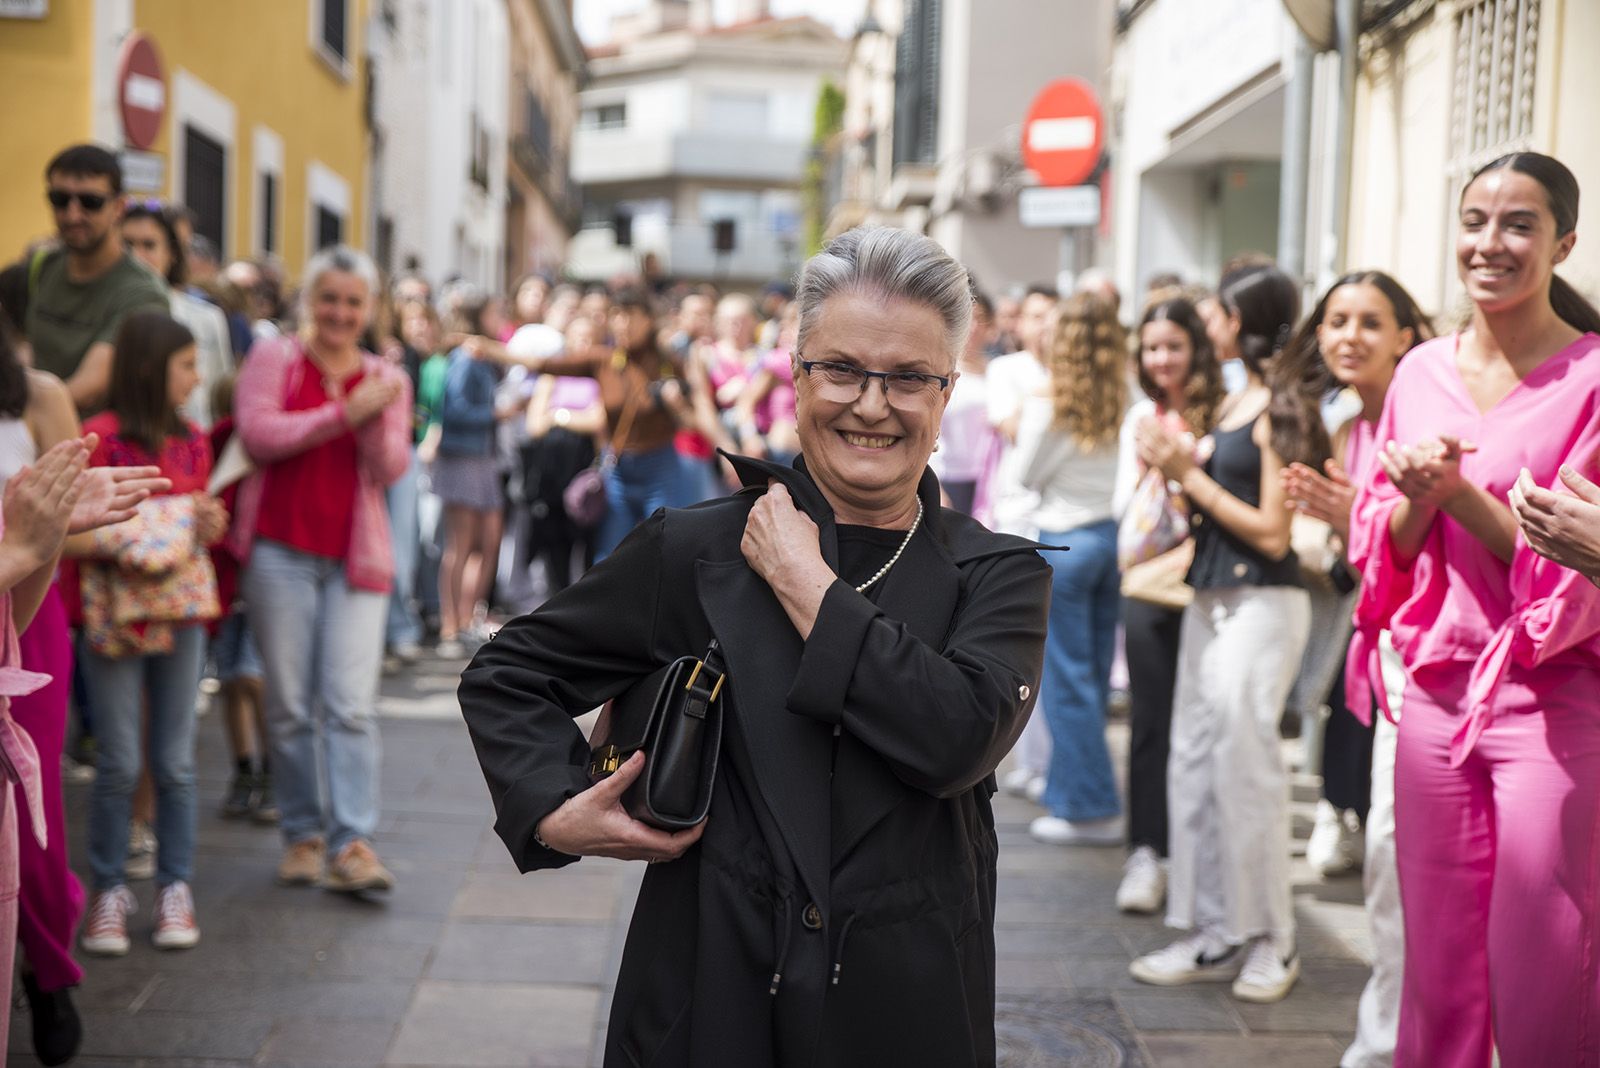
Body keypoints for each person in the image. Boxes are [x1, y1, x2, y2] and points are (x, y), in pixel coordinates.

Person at [460, 227, 1054, 1067]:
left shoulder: (997, 575)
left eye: (907, 378)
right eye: (841, 369)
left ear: (947, 392)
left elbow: (955, 736)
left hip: (906, 1009)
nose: (871, 405)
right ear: (798, 375)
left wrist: (805, 584)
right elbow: (509, 671)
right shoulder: (695, 548)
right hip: (710, 996)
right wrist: (553, 808)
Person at [1346, 152, 1600, 1067]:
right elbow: (1383, 543)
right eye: (1474, 221)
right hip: (1436, 694)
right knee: (1437, 970)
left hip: (1555, 698)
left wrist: (1455, 494)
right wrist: (1421, 501)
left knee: (1547, 966)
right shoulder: (1419, 371)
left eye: (1519, 224)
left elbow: (1570, 569)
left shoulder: (1593, 380)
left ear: (1563, 244)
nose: (1490, 243)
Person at [1128, 264, 1315, 1003]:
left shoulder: (1281, 404)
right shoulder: (1235, 400)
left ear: (1242, 321)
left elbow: (1273, 531)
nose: (1205, 320)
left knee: (1247, 770)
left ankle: (1274, 938)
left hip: (1261, 601)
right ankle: (1211, 930)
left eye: (1217, 311)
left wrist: (1187, 471)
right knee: (1195, 765)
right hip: (1211, 599)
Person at [1281, 271, 1431, 1068]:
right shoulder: (1347, 427)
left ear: (1405, 336)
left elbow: (1424, 549)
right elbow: (1368, 561)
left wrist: (1354, 520)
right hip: (1383, 650)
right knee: (1387, 856)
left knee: (1400, 857)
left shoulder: (1424, 411)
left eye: (1370, 322)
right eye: (1337, 320)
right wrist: (1346, 529)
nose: (1349, 337)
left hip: (1430, 659)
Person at [229, 246, 412, 894]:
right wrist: (345, 412)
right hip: (278, 550)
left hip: (355, 559)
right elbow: (259, 434)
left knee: (351, 705)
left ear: (370, 309)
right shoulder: (273, 356)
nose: (339, 312)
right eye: (328, 298)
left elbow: (390, 468)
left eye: (353, 302)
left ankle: (352, 842)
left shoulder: (385, 376)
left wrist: (372, 415)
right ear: (310, 300)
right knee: (287, 705)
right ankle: (303, 834)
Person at [0, 416, 163, 1060]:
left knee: (31, 825)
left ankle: (44, 964)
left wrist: (40, 543)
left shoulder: (35, 396)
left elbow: (23, 587)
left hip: (22, 636)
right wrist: (24, 547)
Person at [74, 311, 227, 958]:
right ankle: (108, 888)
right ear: (149, 368)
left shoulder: (193, 438)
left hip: (179, 613)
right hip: (115, 614)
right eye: (186, 365)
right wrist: (168, 526)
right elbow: (71, 530)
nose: (197, 378)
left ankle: (174, 886)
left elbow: (196, 526)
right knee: (117, 761)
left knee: (175, 761)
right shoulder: (98, 439)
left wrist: (203, 524)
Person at [1111, 296, 1225, 914]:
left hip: (1212, 580)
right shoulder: (1141, 417)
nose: (1162, 359)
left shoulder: (1223, 411)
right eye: (1152, 348)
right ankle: (1147, 851)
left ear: (1196, 349)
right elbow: (1123, 504)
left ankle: (1195, 854)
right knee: (1151, 721)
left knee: (1206, 722)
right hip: (1151, 582)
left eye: (1173, 346)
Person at [1015, 293, 1127, 847]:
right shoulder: (1127, 393)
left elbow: (1026, 474)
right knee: (1093, 680)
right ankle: (1070, 792)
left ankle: (1089, 807)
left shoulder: (1050, 402)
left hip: (1065, 542)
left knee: (1066, 683)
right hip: (1112, 540)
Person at [516, 288, 703, 560]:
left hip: (660, 466)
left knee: (666, 548)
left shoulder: (667, 362)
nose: (623, 323)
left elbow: (692, 422)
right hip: (619, 467)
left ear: (648, 320)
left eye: (630, 315)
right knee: (609, 554)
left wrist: (677, 404)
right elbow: (542, 364)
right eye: (617, 315)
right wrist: (489, 350)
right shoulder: (606, 360)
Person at [19, 144, 169, 411]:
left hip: (92, 435)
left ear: (119, 207)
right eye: (60, 199)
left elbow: (90, 387)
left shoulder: (143, 292)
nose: (73, 214)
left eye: (90, 202)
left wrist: (22, 416)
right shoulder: (43, 266)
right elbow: (24, 350)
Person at [988, 284, 1057, 798]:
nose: (1045, 326)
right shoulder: (1007, 370)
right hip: (1017, 514)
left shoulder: (1076, 374)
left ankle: (1053, 764)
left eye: (1052, 316)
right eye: (1035, 316)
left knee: (1059, 653)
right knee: (1020, 642)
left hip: (1060, 519)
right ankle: (1029, 761)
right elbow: (1010, 426)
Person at [433, 294, 511, 657]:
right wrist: (496, 414)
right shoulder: (464, 358)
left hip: (483, 456)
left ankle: (466, 621)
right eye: (495, 312)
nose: (501, 317)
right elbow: (455, 410)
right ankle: (450, 627)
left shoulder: (482, 355)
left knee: (485, 541)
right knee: (460, 544)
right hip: (463, 456)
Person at [120, 201, 232, 428]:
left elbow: (217, 394)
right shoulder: (102, 312)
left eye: (149, 245)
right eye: (127, 244)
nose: (136, 256)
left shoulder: (207, 318)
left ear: (171, 253)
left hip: (190, 440)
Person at [928, 289, 996, 515]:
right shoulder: (943, 372)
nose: (974, 326)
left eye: (981, 319)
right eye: (969, 318)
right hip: (949, 477)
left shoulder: (999, 370)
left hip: (989, 478)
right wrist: (935, 487)